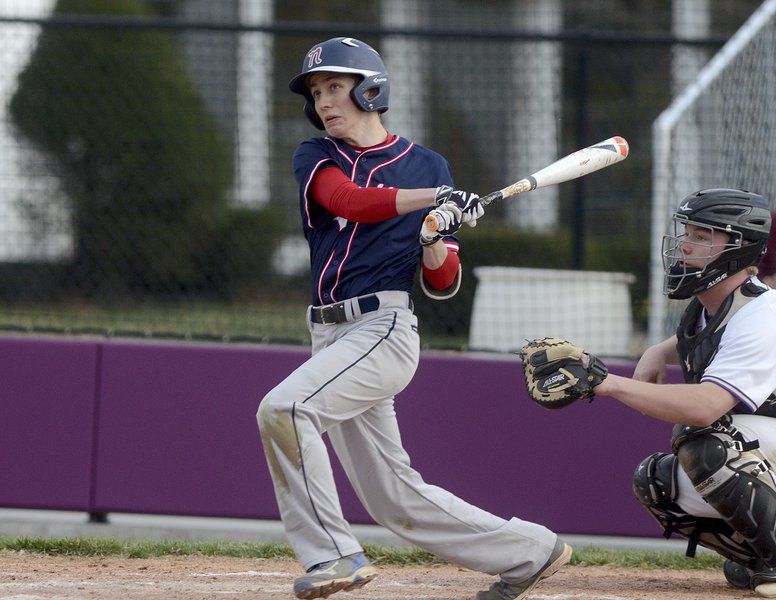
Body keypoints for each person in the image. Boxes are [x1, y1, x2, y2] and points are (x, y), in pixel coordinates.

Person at [257, 36, 571, 600]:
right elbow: (351, 202)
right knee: (393, 496)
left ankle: (332, 555)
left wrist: (433, 239)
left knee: (284, 408)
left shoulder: (427, 163)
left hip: (382, 330)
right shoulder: (316, 156)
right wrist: (435, 198)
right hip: (329, 335)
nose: (324, 101)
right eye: (316, 92)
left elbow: (443, 282)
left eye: (335, 86)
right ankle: (529, 550)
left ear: (370, 88)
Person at [589, 188, 776, 597]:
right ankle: (762, 555)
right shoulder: (712, 307)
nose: (686, 243)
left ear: (740, 248)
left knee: (703, 442)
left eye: (704, 235)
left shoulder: (765, 313)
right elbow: (714, 337)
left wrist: (610, 384)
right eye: (687, 230)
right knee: (657, 482)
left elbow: (707, 407)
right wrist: (661, 349)